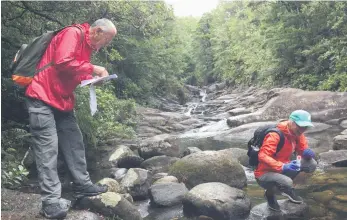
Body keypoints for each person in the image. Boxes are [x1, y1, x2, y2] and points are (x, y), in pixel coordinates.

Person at [25, 18, 117, 219]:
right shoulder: (73, 34)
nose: (106, 45)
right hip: (41, 97)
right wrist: (93, 68)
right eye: (107, 40)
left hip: (62, 101)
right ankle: (50, 202)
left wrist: (93, 80)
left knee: (74, 143)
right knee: (48, 150)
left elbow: (74, 71)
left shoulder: (87, 46)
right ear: (98, 31)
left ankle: (82, 186)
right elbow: (62, 61)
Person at [254, 110, 317, 211]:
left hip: (283, 166)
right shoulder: (275, 135)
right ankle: (270, 193)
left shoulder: (298, 133)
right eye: (300, 126)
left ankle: (290, 188)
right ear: (291, 122)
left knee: (311, 164)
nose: (302, 130)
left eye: (305, 127)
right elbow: (263, 156)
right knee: (286, 182)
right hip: (264, 172)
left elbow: (302, 149)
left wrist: (306, 152)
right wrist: (283, 166)